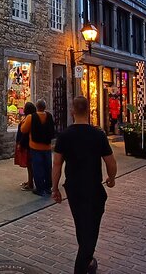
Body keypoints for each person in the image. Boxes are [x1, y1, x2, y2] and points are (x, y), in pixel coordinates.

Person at [52, 96, 117, 274]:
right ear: (89, 111)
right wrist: (111, 178)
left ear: (72, 111)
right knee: (91, 228)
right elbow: (111, 162)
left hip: (73, 189)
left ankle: (87, 260)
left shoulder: (64, 136)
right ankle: (83, 265)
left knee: (81, 224)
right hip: (93, 188)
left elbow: (57, 164)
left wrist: (55, 188)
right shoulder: (98, 135)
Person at [20, 99, 55, 196]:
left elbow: (23, 130)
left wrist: (23, 123)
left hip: (35, 146)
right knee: (47, 167)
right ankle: (48, 187)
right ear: (45, 107)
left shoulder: (31, 117)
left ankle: (40, 188)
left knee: (37, 168)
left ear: (37, 107)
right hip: (47, 147)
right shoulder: (49, 116)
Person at [15, 102, 36, 191]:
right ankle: (29, 181)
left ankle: (30, 183)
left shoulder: (29, 119)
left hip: (26, 145)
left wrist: (21, 143)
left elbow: (25, 133)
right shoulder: (28, 118)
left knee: (29, 165)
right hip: (26, 144)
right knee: (29, 165)